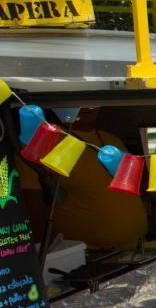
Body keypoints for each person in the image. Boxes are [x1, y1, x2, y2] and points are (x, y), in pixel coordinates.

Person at [18, 107, 148, 249]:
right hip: (85, 256)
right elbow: (31, 202)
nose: (87, 106)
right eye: (77, 102)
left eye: (93, 102)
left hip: (135, 248)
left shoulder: (112, 140)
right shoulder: (43, 141)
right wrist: (43, 252)